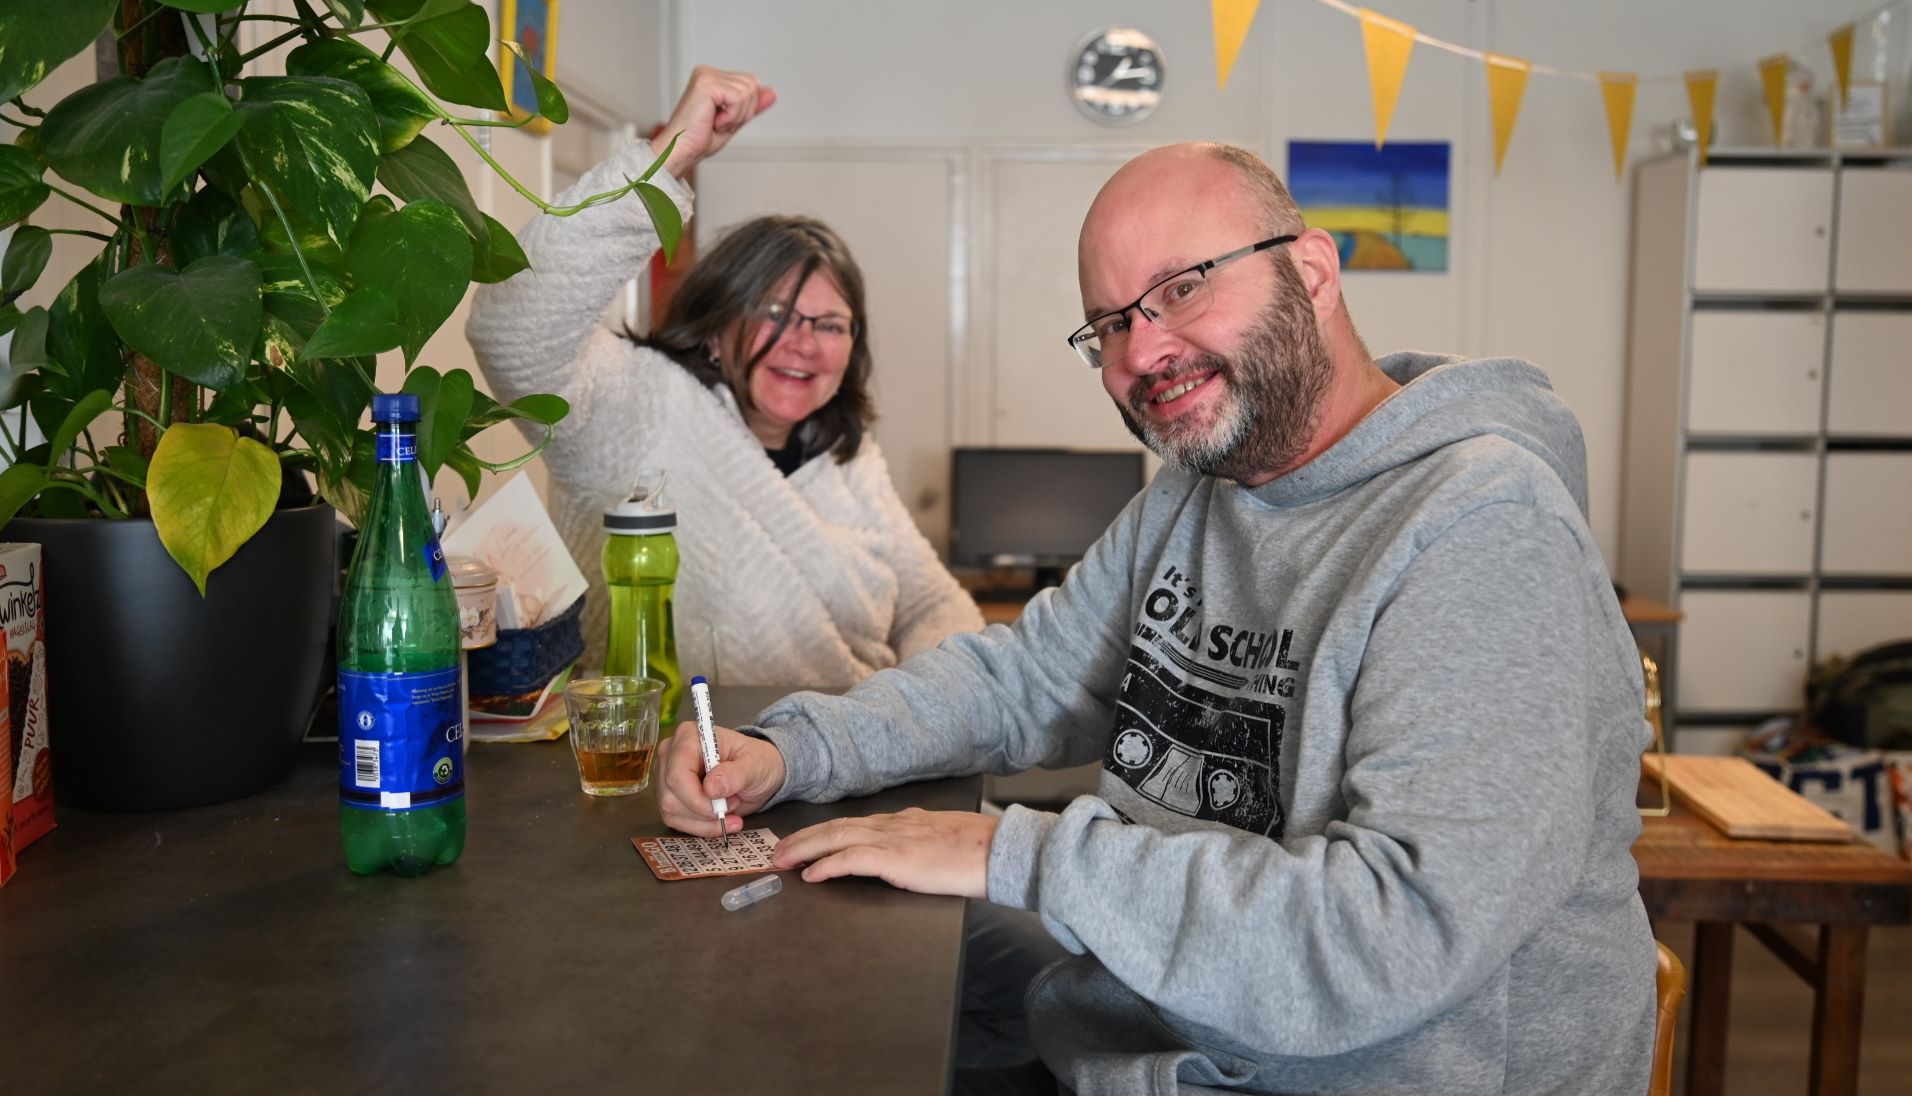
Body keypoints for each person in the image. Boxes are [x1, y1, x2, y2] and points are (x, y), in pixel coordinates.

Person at [658, 142, 1658, 1095]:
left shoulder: (1484, 525)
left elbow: (1391, 934)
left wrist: (1012, 854)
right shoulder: (1201, 486)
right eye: (1108, 324)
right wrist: (792, 748)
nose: (1142, 351)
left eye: (1182, 288)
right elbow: (1028, 679)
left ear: (1311, 272)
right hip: (1154, 1045)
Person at [466, 67, 983, 685]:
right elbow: (510, 331)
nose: (804, 344)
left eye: (830, 325)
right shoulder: (638, 405)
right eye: (775, 315)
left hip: (852, 742)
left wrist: (928, 706)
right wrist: (665, 160)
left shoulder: (851, 461)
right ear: (715, 327)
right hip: (670, 743)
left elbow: (932, 602)